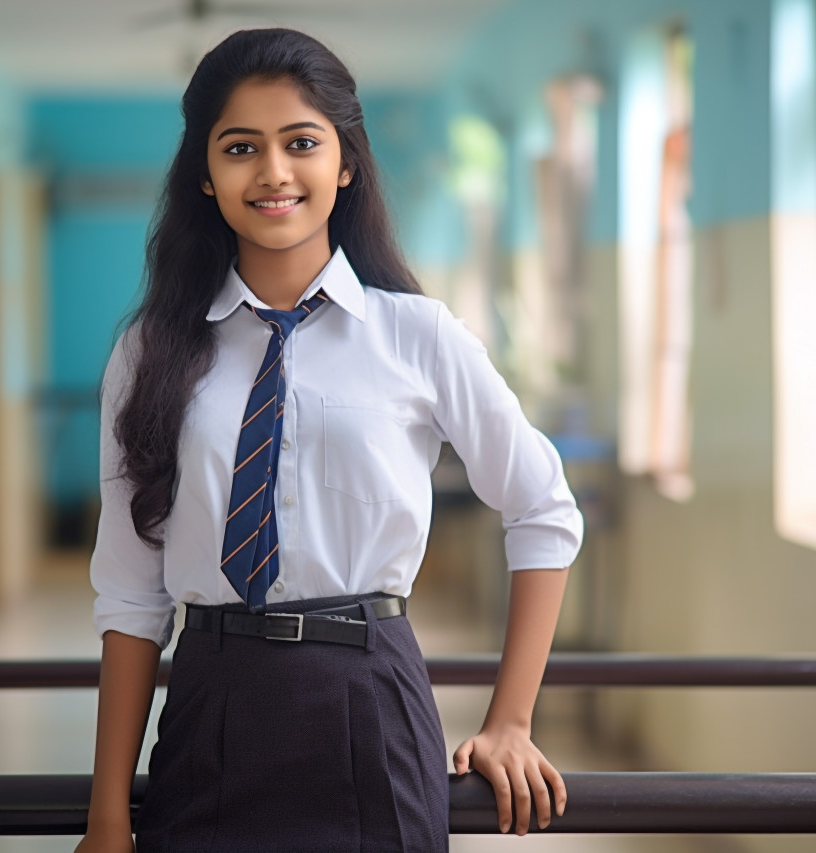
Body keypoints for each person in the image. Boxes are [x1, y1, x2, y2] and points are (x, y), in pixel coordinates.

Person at [74, 27, 584, 853]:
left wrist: (511, 720)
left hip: (370, 699)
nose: (273, 172)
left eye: (300, 142)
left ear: (344, 162)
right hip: (213, 704)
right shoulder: (152, 350)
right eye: (241, 147)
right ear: (205, 176)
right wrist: (106, 818)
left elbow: (543, 507)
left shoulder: (417, 335)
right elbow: (133, 597)